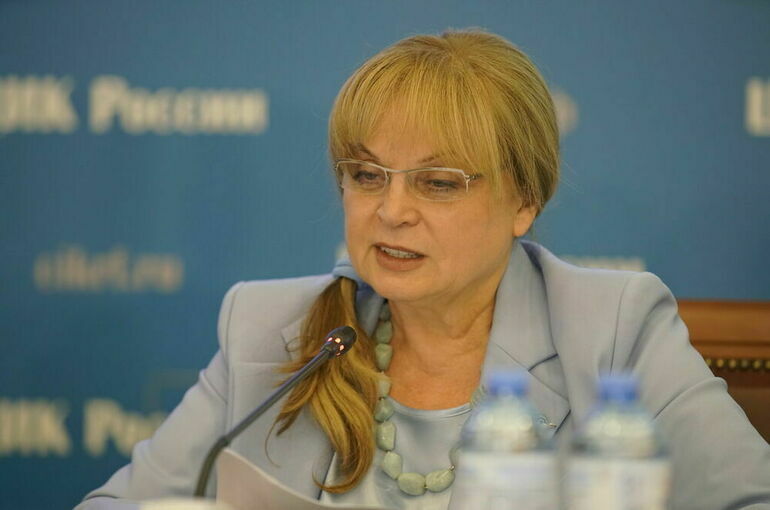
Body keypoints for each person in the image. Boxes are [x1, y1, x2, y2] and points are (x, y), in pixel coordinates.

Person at [77, 30, 770, 510]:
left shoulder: (615, 331)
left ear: (524, 201)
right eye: (366, 175)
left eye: (438, 183)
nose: (391, 211)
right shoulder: (273, 330)